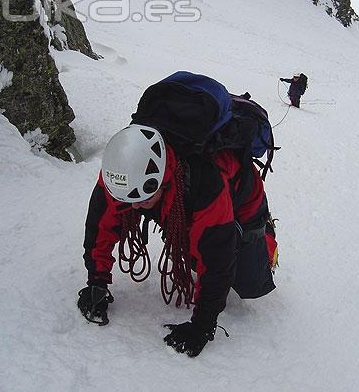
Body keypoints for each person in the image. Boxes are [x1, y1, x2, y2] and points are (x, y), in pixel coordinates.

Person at [77, 121, 278, 357]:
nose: (134, 207)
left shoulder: (205, 184)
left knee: (248, 281)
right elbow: (99, 227)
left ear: (160, 181)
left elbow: (217, 262)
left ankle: (265, 236)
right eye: (129, 200)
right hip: (180, 198)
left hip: (242, 204)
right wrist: (96, 281)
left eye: (141, 200)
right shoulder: (121, 172)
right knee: (193, 248)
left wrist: (202, 326)